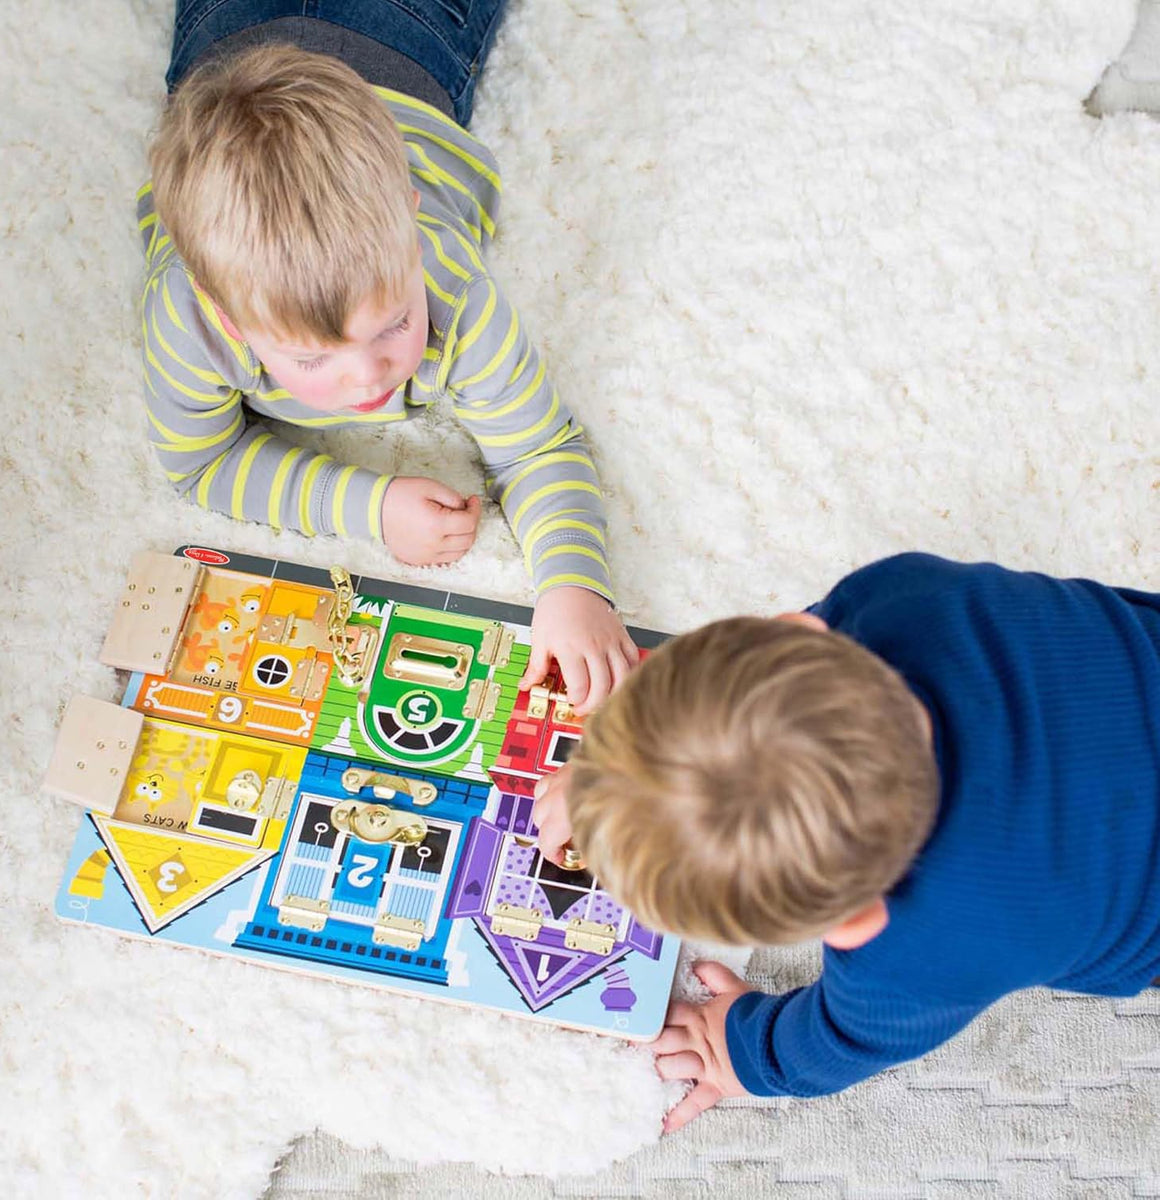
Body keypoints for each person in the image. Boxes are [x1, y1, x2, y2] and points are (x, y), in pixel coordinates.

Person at [533, 552, 1160, 1130]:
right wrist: (610, 781)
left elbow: (840, 1040)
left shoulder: (923, 954)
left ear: (858, 921)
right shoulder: (902, 595)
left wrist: (741, 1053)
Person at [138, 2, 637, 712]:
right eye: (313, 361)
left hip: (405, 33)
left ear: (410, 217)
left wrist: (573, 586)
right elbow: (201, 462)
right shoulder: (188, 322)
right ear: (230, 321)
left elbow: (540, 447)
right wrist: (369, 506)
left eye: (393, 323)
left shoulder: (451, 288)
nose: (368, 379)